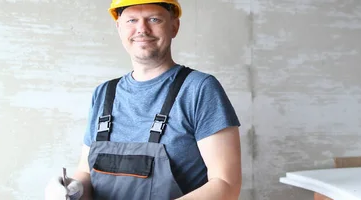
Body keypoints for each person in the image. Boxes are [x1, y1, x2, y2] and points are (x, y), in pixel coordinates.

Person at [44, 0, 242, 199]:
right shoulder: (104, 94)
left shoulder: (199, 89)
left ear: (174, 26)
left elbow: (226, 184)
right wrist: (72, 190)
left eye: (154, 19)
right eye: (131, 20)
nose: (142, 29)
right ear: (119, 28)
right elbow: (86, 172)